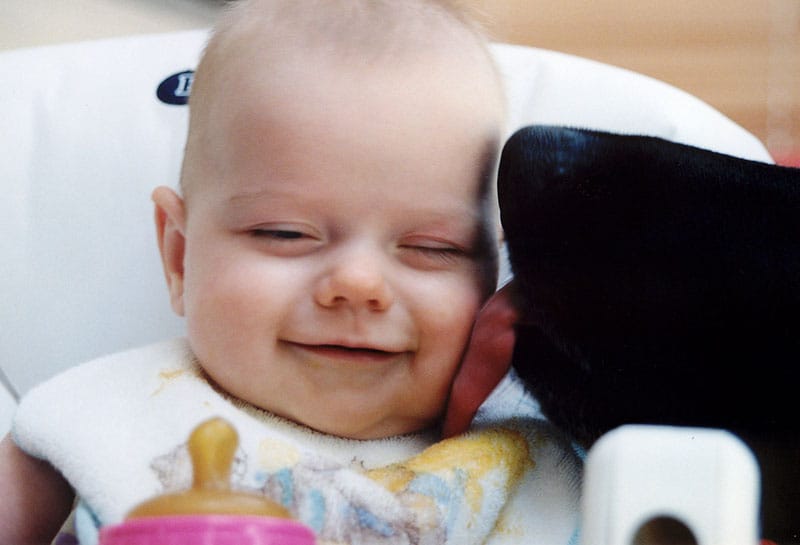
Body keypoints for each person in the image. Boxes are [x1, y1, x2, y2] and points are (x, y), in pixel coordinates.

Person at [0, 1, 581, 543]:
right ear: (180, 257)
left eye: (433, 247)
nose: (358, 284)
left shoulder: (536, 455)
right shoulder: (104, 412)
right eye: (285, 234)